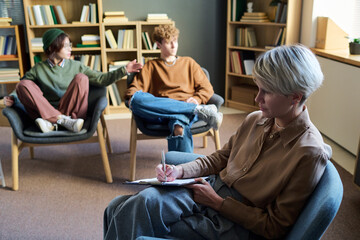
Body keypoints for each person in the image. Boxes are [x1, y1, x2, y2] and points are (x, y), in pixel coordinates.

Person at [103, 44, 332, 239]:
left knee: (125, 211)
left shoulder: (309, 153)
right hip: (209, 189)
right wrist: (179, 172)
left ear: (295, 97)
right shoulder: (256, 119)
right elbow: (220, 158)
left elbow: (275, 227)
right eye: (258, 89)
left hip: (235, 223)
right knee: (123, 206)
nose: (257, 99)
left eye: (267, 92)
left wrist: (219, 204)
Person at [3, 28, 142, 133]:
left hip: (71, 113)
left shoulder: (76, 66)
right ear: (52, 47)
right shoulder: (38, 69)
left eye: (70, 45)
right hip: (48, 111)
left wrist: (124, 69)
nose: (70, 49)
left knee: (82, 78)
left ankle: (55, 121)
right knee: (23, 84)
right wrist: (11, 97)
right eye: (66, 46)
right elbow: (22, 89)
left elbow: (101, 79)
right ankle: (61, 120)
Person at [125, 24, 223, 153]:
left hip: (184, 110)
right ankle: (199, 110)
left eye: (175, 41)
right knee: (136, 100)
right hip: (161, 111)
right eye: (168, 42)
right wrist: (132, 98)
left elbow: (207, 88)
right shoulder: (151, 66)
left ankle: (183, 171)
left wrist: (197, 99)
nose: (174, 45)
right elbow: (134, 90)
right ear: (158, 45)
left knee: (178, 125)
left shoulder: (189, 63)